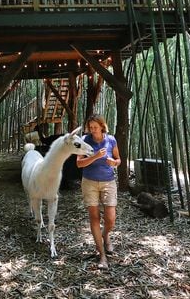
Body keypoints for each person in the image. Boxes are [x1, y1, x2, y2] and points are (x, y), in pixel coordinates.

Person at [76, 114, 121, 269]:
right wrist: (95, 156)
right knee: (94, 217)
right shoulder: (84, 140)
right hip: (89, 182)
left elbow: (118, 159)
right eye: (90, 128)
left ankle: (105, 235)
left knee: (110, 218)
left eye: (95, 127)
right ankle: (101, 254)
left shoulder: (111, 140)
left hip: (108, 181)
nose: (92, 130)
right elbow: (79, 164)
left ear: (102, 126)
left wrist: (114, 162)